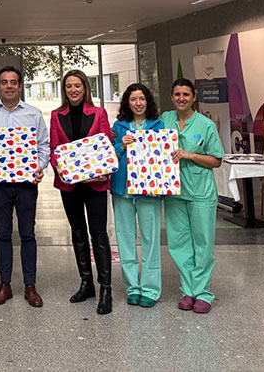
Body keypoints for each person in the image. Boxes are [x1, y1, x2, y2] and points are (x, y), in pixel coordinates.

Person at [0, 66, 49, 307]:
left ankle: (30, 285)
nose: (9, 86)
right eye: (4, 82)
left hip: (26, 183)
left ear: (20, 86)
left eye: (13, 82)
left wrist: (39, 167)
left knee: (28, 234)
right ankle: (5, 285)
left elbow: (43, 146)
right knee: (3, 234)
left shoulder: (33, 114)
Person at [49, 69, 113, 314]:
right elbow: (54, 148)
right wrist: (61, 170)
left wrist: (102, 170)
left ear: (85, 88)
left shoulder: (99, 113)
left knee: (98, 234)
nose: (73, 90)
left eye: (77, 86)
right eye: (69, 86)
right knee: (77, 233)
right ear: (64, 90)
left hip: (95, 183)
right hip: (70, 184)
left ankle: (105, 288)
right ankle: (86, 283)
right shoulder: (56, 115)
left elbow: (105, 144)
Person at [161, 78, 223, 314]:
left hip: (200, 192)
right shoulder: (165, 119)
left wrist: (189, 155)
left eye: (186, 94)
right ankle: (188, 290)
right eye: (177, 94)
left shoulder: (205, 125)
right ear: (172, 97)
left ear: (194, 97)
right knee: (179, 243)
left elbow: (216, 160)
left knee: (203, 243)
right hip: (174, 192)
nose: (181, 98)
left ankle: (203, 292)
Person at [109, 83, 164, 308]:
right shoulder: (118, 126)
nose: (138, 103)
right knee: (125, 238)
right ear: (127, 102)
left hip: (149, 190)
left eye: (142, 99)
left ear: (147, 101)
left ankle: (150, 289)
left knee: (151, 239)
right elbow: (109, 156)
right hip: (122, 189)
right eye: (133, 99)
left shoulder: (159, 125)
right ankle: (132, 287)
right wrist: (121, 146)